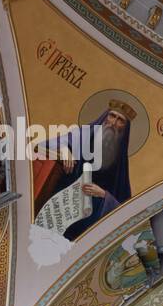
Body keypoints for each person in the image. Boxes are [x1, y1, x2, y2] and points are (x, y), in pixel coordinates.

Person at [33, 100, 137, 240]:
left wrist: (104, 195)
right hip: (63, 194)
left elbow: (124, 208)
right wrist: (64, 149)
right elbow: (46, 144)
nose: (113, 122)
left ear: (125, 129)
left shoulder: (120, 161)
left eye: (120, 120)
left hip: (89, 210)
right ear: (105, 117)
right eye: (112, 116)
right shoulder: (84, 134)